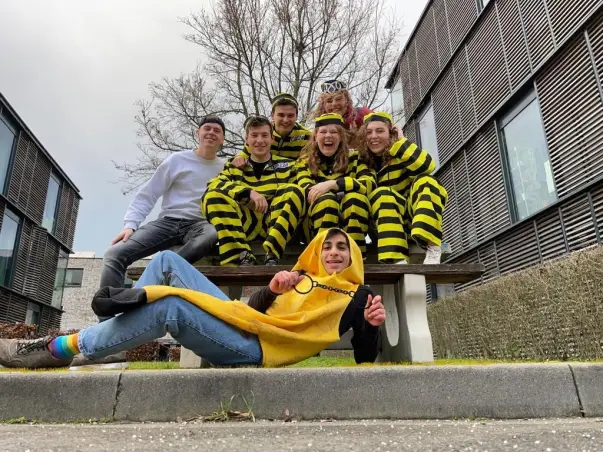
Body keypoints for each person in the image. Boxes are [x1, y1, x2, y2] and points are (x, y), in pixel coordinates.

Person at [0, 229, 386, 369]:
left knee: (171, 306)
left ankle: (57, 347)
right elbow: (252, 311)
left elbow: (366, 356)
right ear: (318, 251)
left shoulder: (358, 294)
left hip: (256, 349)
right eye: (328, 246)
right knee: (167, 260)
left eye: (342, 247)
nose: (334, 252)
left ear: (352, 255)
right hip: (241, 321)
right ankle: (111, 342)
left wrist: (370, 326)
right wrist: (272, 290)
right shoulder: (299, 277)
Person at [100, 115, 226, 289]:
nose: (211, 133)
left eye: (217, 131)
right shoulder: (177, 160)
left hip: (199, 225)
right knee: (113, 255)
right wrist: (130, 224)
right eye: (207, 128)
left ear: (222, 139)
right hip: (167, 223)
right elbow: (148, 194)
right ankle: (109, 311)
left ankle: (164, 270)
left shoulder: (226, 167)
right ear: (198, 133)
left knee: (212, 233)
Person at [202, 116, 311, 266]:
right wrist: (248, 193)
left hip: (278, 225)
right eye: (254, 135)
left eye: (264, 135)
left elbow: (303, 193)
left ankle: (273, 254)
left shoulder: (289, 165)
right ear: (246, 139)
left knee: (294, 190)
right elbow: (213, 185)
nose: (259, 140)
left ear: (272, 138)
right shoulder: (236, 165)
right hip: (245, 225)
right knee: (212, 196)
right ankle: (241, 255)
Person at [358, 111, 448, 264]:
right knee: (382, 193)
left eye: (380, 131)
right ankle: (396, 258)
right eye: (369, 132)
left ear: (391, 133)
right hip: (382, 228)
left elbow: (428, 166)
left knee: (427, 181)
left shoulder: (403, 153)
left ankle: (432, 244)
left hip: (411, 221)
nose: (374, 136)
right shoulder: (361, 161)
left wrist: (401, 141)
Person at [296, 113, 373, 254]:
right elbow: (307, 191)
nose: (328, 136)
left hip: (352, 220)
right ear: (315, 137)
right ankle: (323, 257)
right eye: (323, 132)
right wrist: (342, 191)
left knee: (355, 199)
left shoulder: (356, 158)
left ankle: (357, 258)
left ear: (341, 137)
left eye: (334, 132)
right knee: (326, 201)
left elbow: (368, 184)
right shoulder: (304, 162)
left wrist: (333, 184)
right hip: (315, 224)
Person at [231, 93, 312, 167]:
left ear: (297, 116)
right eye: (281, 115)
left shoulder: (307, 136)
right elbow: (244, 154)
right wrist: (239, 158)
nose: (286, 120)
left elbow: (307, 163)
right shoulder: (263, 132)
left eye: (290, 115)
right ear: (272, 115)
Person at [310, 79, 372, 147]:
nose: (334, 104)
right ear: (323, 104)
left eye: (338, 99)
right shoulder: (320, 125)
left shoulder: (363, 114)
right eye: (329, 101)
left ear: (347, 100)